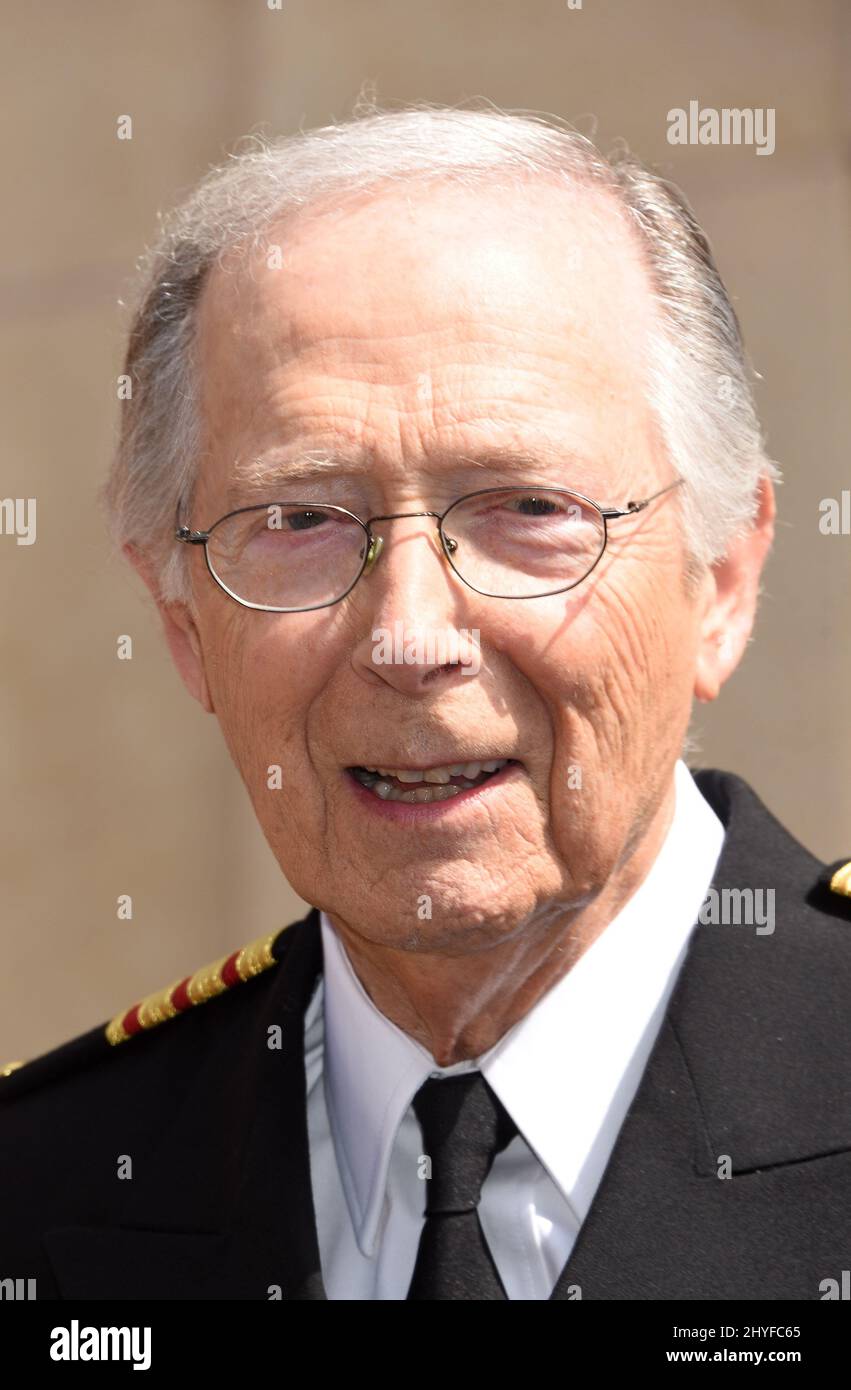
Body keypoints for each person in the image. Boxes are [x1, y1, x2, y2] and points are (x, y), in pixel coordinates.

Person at [2, 105, 850, 1301]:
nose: (409, 634)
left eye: (525, 508)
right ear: (184, 622)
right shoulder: (44, 1187)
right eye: (298, 520)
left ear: (719, 577)